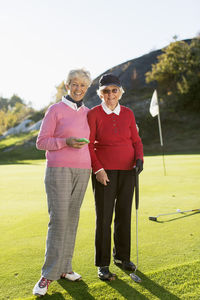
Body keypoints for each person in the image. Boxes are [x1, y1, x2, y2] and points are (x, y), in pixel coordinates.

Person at [33, 69, 92, 296]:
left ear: (87, 89)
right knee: (58, 220)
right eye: (74, 84)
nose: (78, 89)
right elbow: (41, 142)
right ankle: (48, 275)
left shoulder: (88, 113)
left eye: (83, 86)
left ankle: (65, 268)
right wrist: (65, 141)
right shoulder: (55, 110)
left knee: (72, 219)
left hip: (83, 170)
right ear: (67, 85)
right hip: (58, 169)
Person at [87, 74, 143, 281]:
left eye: (114, 90)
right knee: (104, 219)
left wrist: (140, 159)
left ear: (120, 92)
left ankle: (122, 257)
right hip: (104, 173)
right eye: (106, 91)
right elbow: (89, 145)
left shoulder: (128, 113)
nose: (110, 94)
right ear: (100, 94)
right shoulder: (93, 114)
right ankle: (103, 264)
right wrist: (98, 169)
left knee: (123, 215)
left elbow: (136, 141)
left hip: (128, 171)